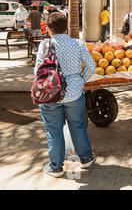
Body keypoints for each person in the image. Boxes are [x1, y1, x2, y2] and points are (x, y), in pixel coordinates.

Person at [34, 12, 96, 177]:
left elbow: (37, 72)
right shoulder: (77, 43)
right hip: (74, 93)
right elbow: (91, 66)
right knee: (78, 125)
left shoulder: (44, 46)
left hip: (50, 94)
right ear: (66, 27)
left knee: (54, 131)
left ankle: (56, 167)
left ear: (49, 29)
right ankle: (86, 158)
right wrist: (80, 81)